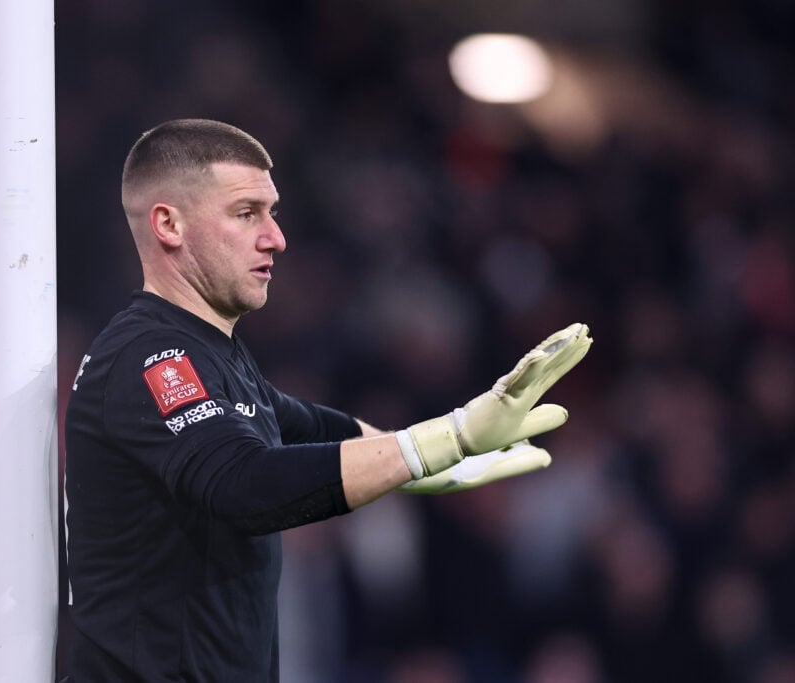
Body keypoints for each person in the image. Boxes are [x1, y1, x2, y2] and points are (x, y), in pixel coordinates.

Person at [62, 118, 592, 682]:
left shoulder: (215, 356)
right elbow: (241, 484)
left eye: (272, 211)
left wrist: (446, 461)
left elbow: (313, 428)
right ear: (169, 224)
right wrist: (447, 437)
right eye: (246, 213)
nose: (276, 237)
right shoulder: (151, 355)